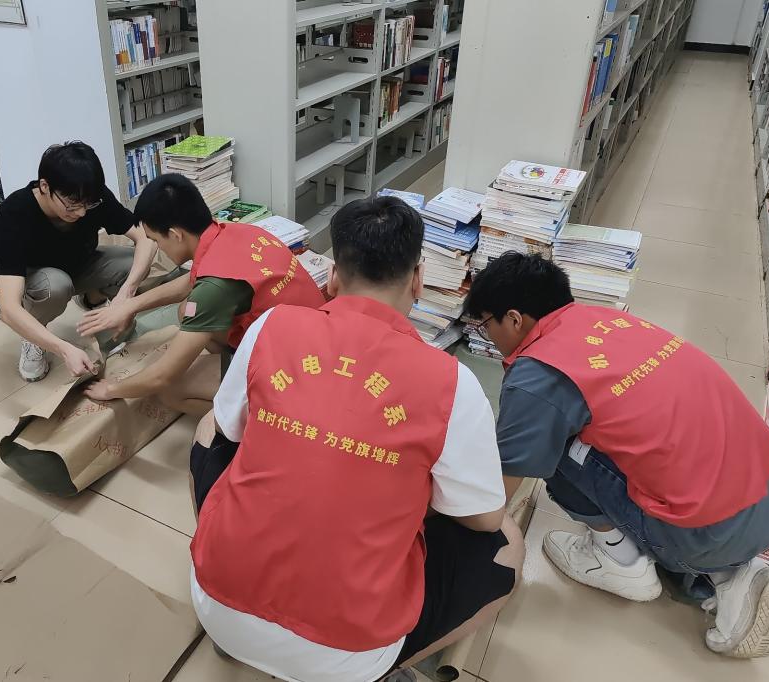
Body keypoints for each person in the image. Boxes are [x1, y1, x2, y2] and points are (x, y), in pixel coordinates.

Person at [187, 196, 523, 682]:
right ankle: (390, 667)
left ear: (331, 277)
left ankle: (235, 600)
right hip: (348, 656)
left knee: (209, 428)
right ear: (418, 280)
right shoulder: (453, 384)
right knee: (507, 541)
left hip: (217, 609)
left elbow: (227, 429)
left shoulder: (271, 326)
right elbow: (484, 517)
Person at [464, 251, 769, 659]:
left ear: (514, 319)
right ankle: (731, 571)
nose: (487, 337)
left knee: (553, 444)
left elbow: (498, 494)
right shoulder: (605, 319)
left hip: (707, 535)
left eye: (485, 325)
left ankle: (627, 564)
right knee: (590, 426)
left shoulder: (538, 372)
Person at [79, 173, 325, 415]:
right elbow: (191, 282)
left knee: (170, 392)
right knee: (186, 310)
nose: (159, 248)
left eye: (157, 240)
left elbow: (162, 376)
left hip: (297, 371)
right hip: (313, 339)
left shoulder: (214, 288)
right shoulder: (233, 231)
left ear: (175, 235)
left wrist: (111, 388)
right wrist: (129, 306)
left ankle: (263, 416)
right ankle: (235, 375)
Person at [0, 142, 158, 381]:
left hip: (82, 264)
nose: (81, 212)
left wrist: (126, 294)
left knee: (133, 262)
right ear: (45, 186)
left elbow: (146, 238)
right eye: (72, 205)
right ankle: (34, 337)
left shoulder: (92, 196)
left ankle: (95, 304)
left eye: (87, 204)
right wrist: (63, 348)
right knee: (56, 285)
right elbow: (8, 309)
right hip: (40, 281)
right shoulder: (14, 213)